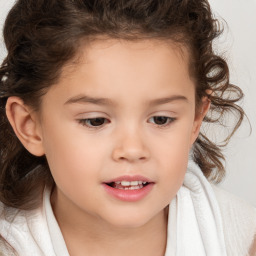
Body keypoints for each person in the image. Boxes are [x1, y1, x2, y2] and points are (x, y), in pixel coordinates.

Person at [0, 0, 255, 255]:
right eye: (95, 120)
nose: (132, 150)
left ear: (195, 119)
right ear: (30, 126)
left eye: (161, 119)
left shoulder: (243, 239)